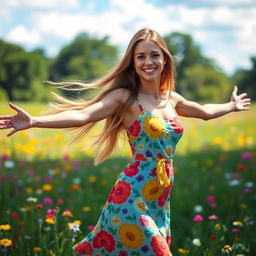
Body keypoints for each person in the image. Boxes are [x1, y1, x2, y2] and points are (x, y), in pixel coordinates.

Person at [0, 28, 251, 256]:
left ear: (165, 59)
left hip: (159, 200)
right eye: (140, 57)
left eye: (154, 55)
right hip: (132, 196)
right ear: (133, 62)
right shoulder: (126, 98)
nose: (148, 62)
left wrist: (231, 105)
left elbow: (205, 112)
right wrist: (34, 122)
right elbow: (84, 115)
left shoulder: (171, 99)